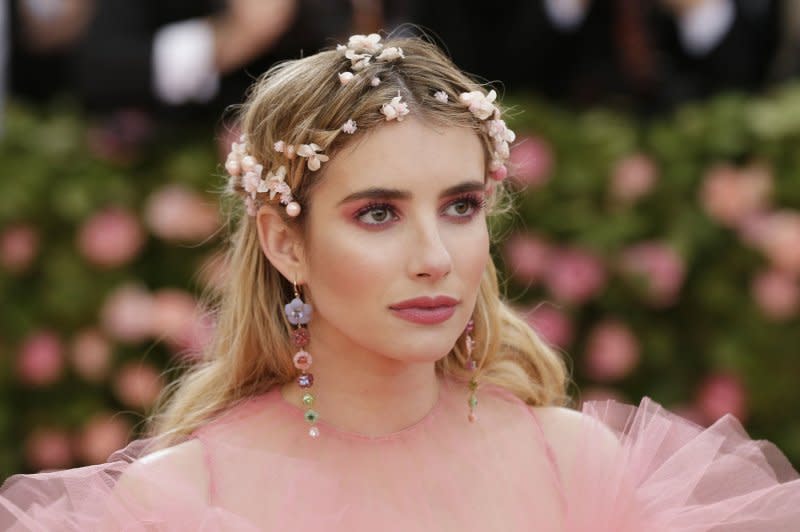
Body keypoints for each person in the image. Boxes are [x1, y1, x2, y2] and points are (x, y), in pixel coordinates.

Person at [1, 32, 799, 531]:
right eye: (378, 213)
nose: (434, 255)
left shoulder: (573, 463)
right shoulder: (179, 500)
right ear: (285, 242)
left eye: (460, 206)